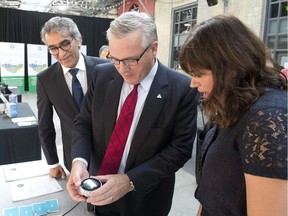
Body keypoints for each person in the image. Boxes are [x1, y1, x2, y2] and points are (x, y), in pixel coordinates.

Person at [66, 11, 198, 216]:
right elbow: (83, 123)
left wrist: (130, 181)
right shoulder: (102, 75)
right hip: (99, 191)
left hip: (146, 200)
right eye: (115, 59)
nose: (122, 69)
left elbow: (179, 150)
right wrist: (79, 162)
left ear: (153, 48)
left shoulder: (181, 88)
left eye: (130, 60)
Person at [179, 15, 287, 216]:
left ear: (230, 68)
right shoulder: (235, 104)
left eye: (199, 73)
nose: (193, 83)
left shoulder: (267, 119)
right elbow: (210, 194)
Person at [37, 16, 107, 179]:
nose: (61, 53)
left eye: (65, 43)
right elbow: (45, 125)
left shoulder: (105, 69)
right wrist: (53, 163)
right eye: (53, 48)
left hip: (109, 154)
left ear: (78, 40)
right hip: (73, 155)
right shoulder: (45, 79)